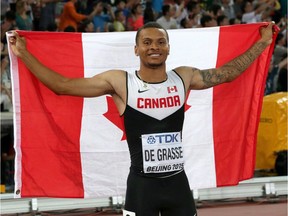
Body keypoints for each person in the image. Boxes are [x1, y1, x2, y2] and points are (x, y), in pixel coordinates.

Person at [8, 21, 275, 216]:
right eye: (147, 42)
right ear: (136, 49)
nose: (154, 47)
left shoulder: (183, 77)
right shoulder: (121, 83)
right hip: (141, 188)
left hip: (178, 185)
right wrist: (24, 54)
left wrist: (262, 43)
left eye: (160, 42)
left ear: (169, 48)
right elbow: (63, 85)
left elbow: (227, 73)